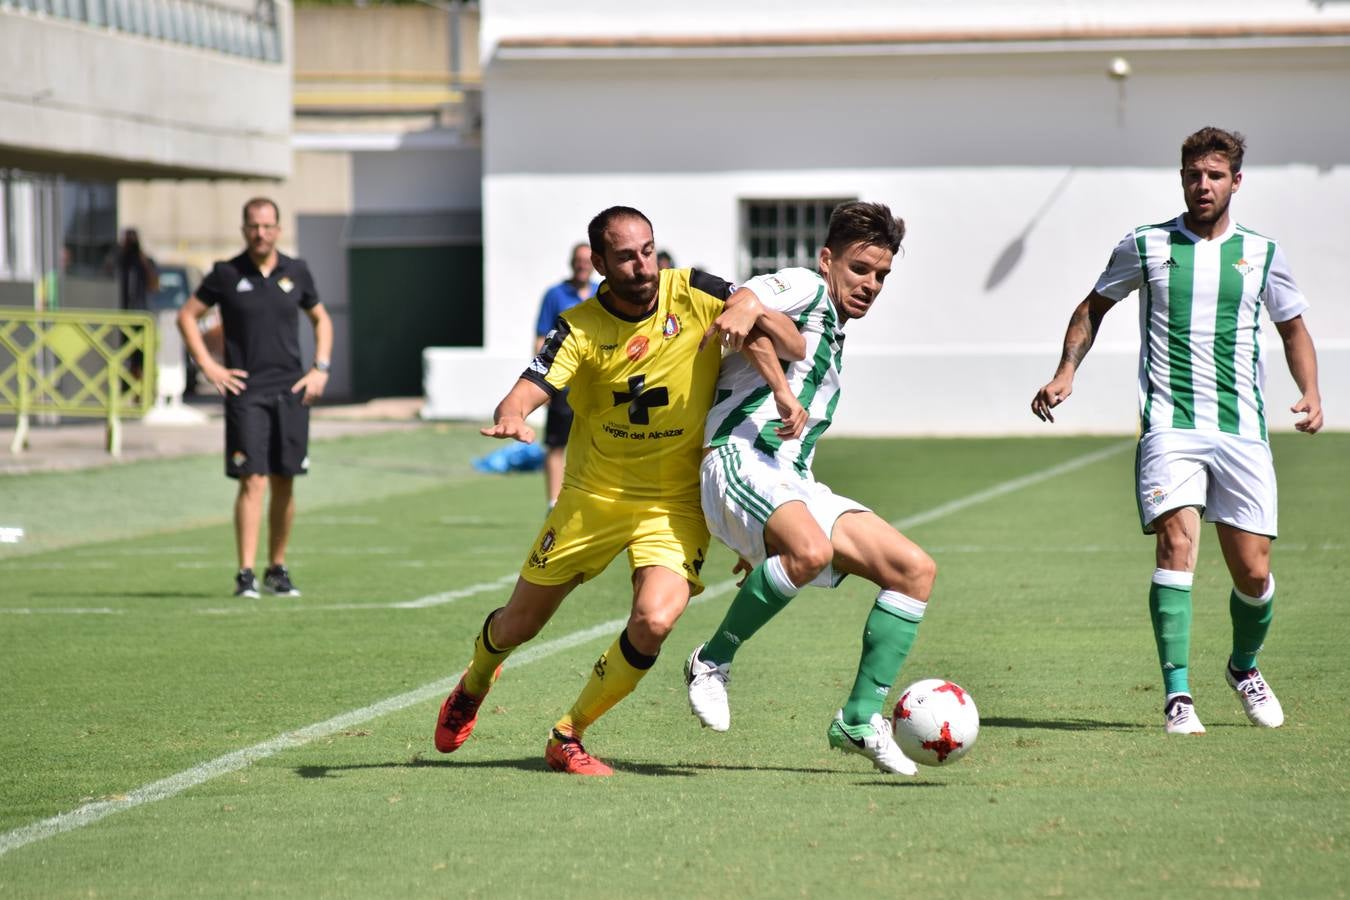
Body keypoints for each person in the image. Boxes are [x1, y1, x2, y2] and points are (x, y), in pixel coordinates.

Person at [433, 205, 804, 776]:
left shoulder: (696, 291)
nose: (642, 266)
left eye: (648, 250)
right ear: (600, 264)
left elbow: (792, 345)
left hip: (675, 502)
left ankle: (569, 734)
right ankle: (476, 680)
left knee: (655, 621)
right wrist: (512, 415)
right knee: (519, 624)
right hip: (592, 498)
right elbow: (530, 385)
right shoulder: (579, 326)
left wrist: (751, 305)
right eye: (626, 256)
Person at [1030, 127, 1323, 735]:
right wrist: (1066, 371)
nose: (1203, 185)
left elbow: (1293, 328)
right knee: (1176, 547)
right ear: (1182, 176)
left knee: (1254, 572)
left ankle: (1243, 667)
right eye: (1193, 174)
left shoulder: (1263, 254)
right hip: (1170, 426)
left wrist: (1311, 392)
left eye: (1215, 175)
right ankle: (1178, 697)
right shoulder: (1146, 244)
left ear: (1235, 181)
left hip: (1242, 430)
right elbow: (1093, 306)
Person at [683, 201, 931, 775]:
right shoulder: (805, 284)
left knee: (914, 571)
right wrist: (778, 383)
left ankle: (860, 717)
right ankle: (710, 661)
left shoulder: (834, 327)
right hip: (739, 456)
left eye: (881, 276)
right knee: (810, 549)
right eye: (860, 269)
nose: (870, 284)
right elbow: (743, 301)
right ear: (828, 260)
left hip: (790, 480)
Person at [177, 197, 334, 600]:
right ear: (243, 229)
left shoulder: (296, 271)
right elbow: (186, 316)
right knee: (253, 479)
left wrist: (321, 368)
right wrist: (210, 368)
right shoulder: (226, 274)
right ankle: (244, 573)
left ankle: (276, 569)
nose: (260, 233)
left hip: (292, 391)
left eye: (267, 226)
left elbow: (321, 318)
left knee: (285, 479)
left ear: (278, 229)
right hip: (246, 392)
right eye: (253, 226)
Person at [533, 242, 597, 509]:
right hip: (564, 383)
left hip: (596, 384)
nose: (582, 264)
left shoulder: (601, 293)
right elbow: (540, 338)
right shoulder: (555, 295)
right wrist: (542, 383)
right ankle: (554, 502)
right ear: (571, 262)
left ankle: (590, 498)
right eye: (578, 260)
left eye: (587, 260)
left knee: (596, 443)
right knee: (557, 443)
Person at [116, 228, 158, 376]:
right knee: (121, 352)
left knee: (141, 354)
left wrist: (142, 259)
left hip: (141, 314)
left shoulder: (145, 261)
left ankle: (140, 387)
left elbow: (154, 285)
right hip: (121, 314)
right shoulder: (121, 261)